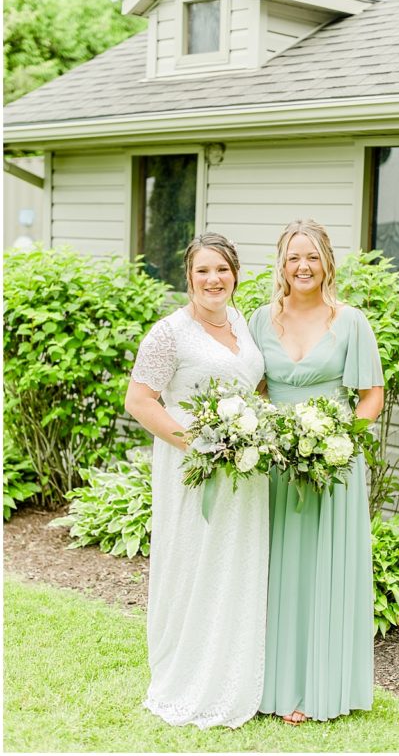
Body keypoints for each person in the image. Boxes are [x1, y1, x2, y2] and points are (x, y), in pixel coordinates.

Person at [125, 233, 269, 728]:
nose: (213, 279)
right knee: (196, 560)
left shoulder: (242, 323)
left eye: (222, 270)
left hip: (244, 471)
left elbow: (252, 384)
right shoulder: (168, 333)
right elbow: (140, 401)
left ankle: (233, 667)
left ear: (236, 274)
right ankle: (189, 674)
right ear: (188, 277)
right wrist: (199, 443)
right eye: (203, 271)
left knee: (235, 561)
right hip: (193, 467)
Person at [249, 219, 384, 724]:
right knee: (278, 571)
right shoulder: (260, 320)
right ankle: (273, 684)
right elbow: (255, 389)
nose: (302, 267)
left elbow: (372, 395)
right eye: (292, 258)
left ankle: (319, 686)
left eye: (311, 257)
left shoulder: (351, 322)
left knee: (324, 572)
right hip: (277, 465)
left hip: (333, 465)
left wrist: (340, 441)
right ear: (281, 265)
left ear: (327, 262)